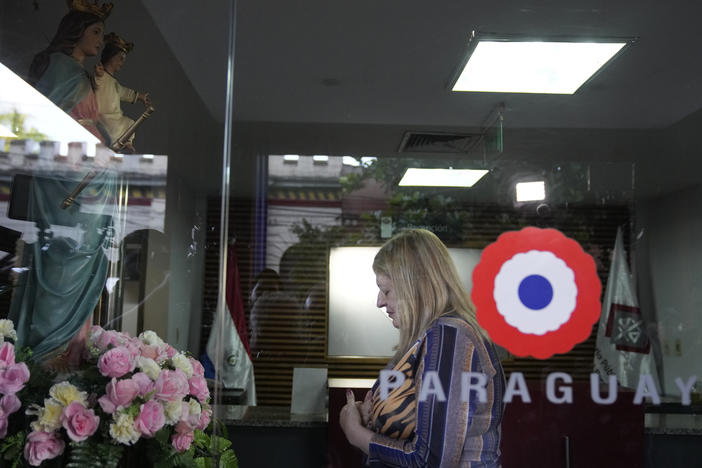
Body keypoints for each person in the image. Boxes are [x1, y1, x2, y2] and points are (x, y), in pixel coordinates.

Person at [339, 229, 506, 467]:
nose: (379, 301)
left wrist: (355, 433)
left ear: (413, 286)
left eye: (386, 290)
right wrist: (374, 416)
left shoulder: (451, 336)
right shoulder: (430, 338)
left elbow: (431, 461)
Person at [28, 5, 111, 144]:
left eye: (102, 36)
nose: (101, 41)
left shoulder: (80, 73)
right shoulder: (61, 65)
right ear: (78, 30)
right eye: (96, 32)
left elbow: (92, 119)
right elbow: (49, 113)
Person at [95, 32, 151, 153]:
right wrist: (98, 75)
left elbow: (124, 92)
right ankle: (121, 143)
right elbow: (96, 82)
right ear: (111, 56)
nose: (122, 62)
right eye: (120, 58)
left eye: (124, 60)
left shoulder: (114, 83)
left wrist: (139, 96)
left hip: (115, 117)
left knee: (130, 123)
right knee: (117, 127)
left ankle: (127, 143)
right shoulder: (102, 76)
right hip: (104, 117)